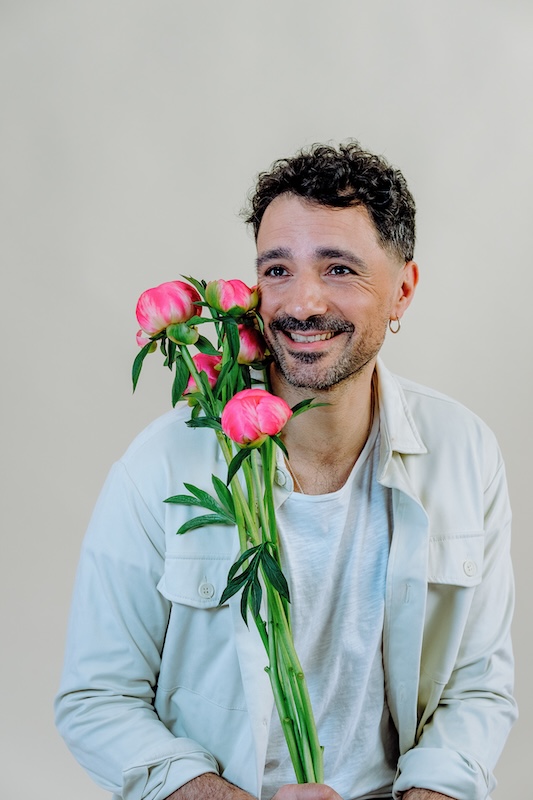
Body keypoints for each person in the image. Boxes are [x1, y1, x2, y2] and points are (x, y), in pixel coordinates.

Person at [55, 142, 516, 800]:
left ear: (402, 291)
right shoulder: (160, 465)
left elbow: (476, 689)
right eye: (277, 269)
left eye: (338, 269)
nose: (300, 302)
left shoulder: (464, 453)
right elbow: (97, 700)